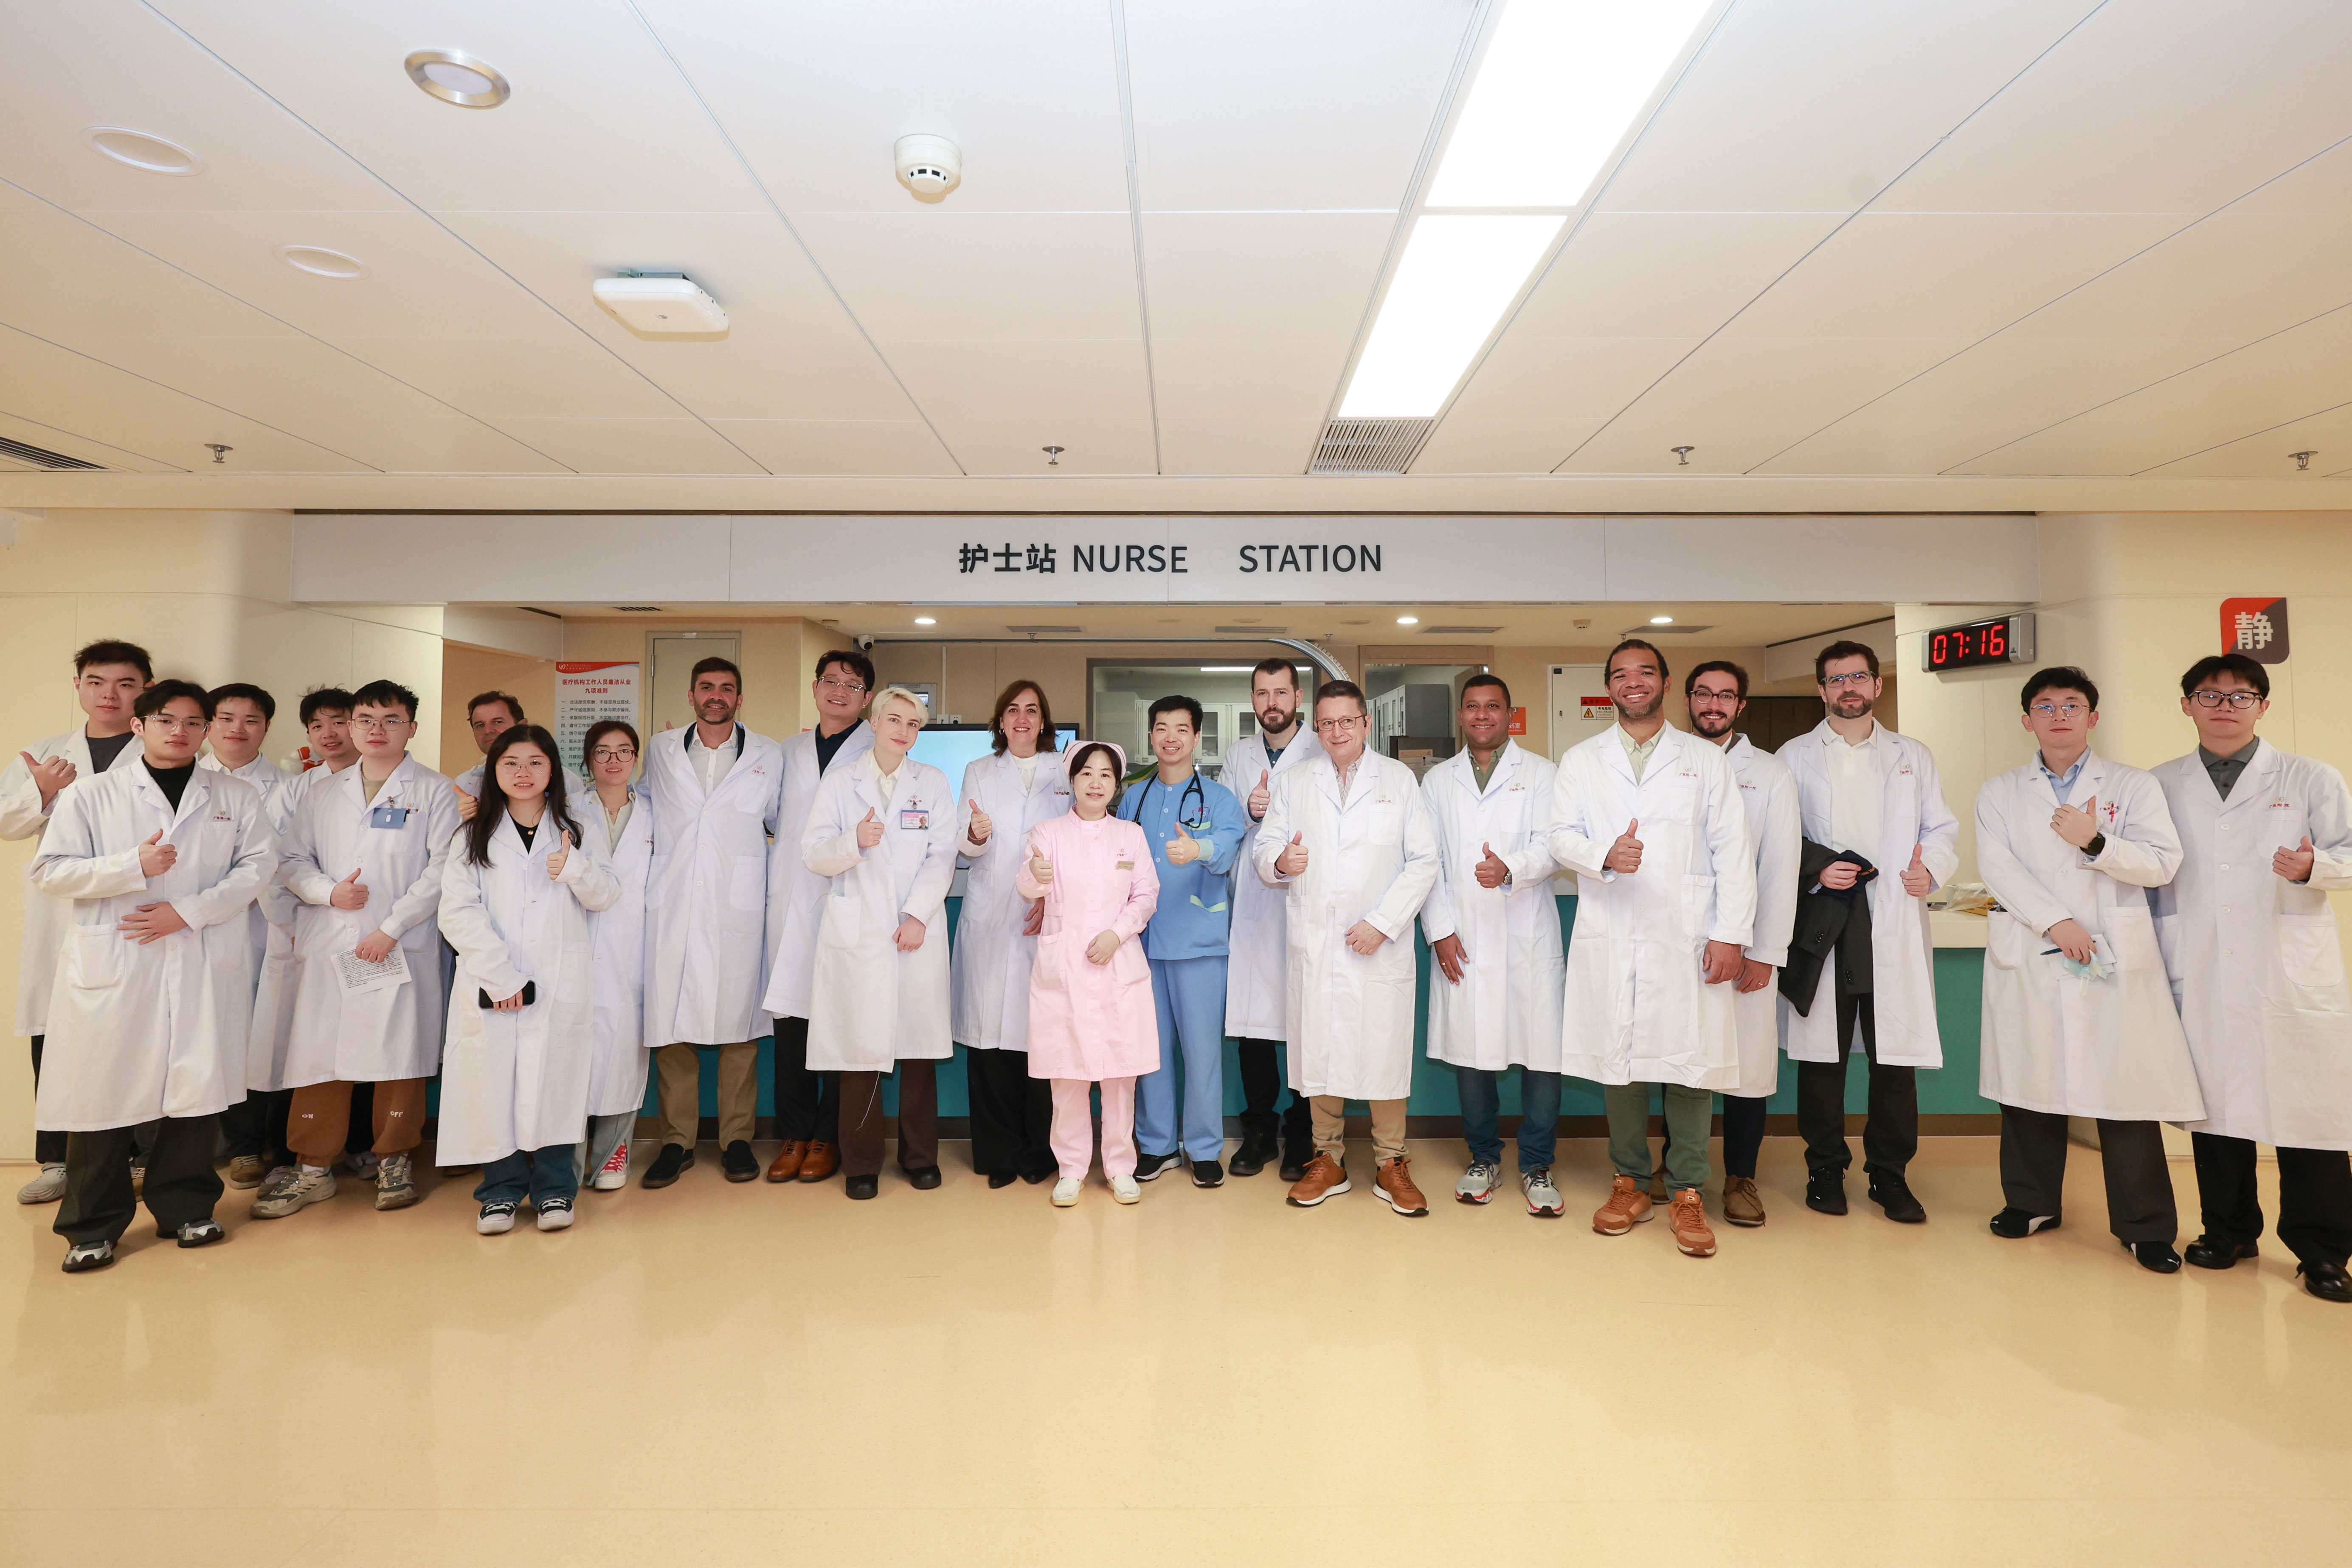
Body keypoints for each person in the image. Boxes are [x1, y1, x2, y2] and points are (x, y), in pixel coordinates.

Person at [31, 680, 273, 1271]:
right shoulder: (92, 795)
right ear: (140, 725)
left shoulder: (236, 796)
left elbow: (258, 868)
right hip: (118, 964)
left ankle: (186, 1208)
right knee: (102, 1095)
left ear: (206, 730)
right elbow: (51, 872)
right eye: (166, 720)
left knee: (195, 1091)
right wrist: (130, 866)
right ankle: (92, 1226)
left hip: (199, 954)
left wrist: (187, 912)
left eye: (193, 722)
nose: (180, 732)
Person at [1975, 667, 2203, 1273]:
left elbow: (2161, 863)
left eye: (2071, 705)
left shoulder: (2132, 785)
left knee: (2125, 1091)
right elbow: (1997, 866)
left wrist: (2096, 842)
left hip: (2115, 954)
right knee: (2030, 1084)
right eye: (2045, 706)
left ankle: (2145, 1227)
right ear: (2026, 719)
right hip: (2036, 947)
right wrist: (2056, 922)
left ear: (2092, 717)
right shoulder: (2000, 791)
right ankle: (2030, 1203)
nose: (2058, 716)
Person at [2154, 653, 2352, 1304]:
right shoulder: (2160, 784)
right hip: (2202, 964)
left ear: (2264, 705)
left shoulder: (2310, 776)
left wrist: (2314, 867)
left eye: (2241, 695)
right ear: (2187, 704)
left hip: (2287, 968)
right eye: (2210, 695)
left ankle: (2322, 1251)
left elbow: (2350, 853)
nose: (2225, 707)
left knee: (2309, 1110)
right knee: (2219, 1107)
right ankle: (2228, 1231)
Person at [1550, 641, 1756, 1258]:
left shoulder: (1704, 760)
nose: (1632, 682)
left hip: (1686, 931)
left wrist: (1730, 933)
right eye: (1619, 674)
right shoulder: (1582, 760)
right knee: (1620, 1058)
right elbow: (1559, 835)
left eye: (1644, 672)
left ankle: (1688, 1189)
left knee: (1689, 1059)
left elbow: (1733, 851)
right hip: (1613, 926)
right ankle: (1630, 1181)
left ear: (1666, 683)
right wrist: (1603, 854)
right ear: (1609, 687)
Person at [256, 679, 459, 1220]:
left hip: (399, 945)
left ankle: (394, 1159)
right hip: (333, 939)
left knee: (399, 1055)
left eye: (391, 720)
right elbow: (290, 859)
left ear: (411, 729)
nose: (376, 729)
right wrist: (328, 893)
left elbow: (444, 869)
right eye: (366, 719)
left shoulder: (434, 791)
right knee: (320, 1056)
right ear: (352, 726)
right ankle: (313, 1168)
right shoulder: (321, 793)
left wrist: (391, 927)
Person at [1776, 639, 1958, 1224]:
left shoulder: (1911, 755)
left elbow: (1940, 827)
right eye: (1836, 679)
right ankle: (1825, 1168)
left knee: (1893, 1060)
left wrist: (1932, 867)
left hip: (1891, 919)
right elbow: (1776, 835)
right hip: (1826, 921)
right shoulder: (1793, 756)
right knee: (1822, 1059)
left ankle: (1889, 1174)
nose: (1848, 688)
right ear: (1821, 690)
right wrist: (1816, 868)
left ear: (1877, 685)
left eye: (1858, 677)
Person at [1255, 680, 1440, 1216]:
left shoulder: (1398, 780)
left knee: (1382, 1049)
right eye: (1326, 722)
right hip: (1317, 943)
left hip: (1378, 945)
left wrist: (1381, 924)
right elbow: (1266, 847)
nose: (1336, 731)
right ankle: (1327, 1158)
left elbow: (1423, 861)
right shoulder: (1295, 782)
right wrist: (1279, 863)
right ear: (1317, 727)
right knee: (1320, 1047)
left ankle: (1391, 1161)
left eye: (1346, 721)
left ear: (1365, 724)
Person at [437, 725, 622, 1235]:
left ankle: (554, 1189)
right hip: (491, 981)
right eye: (511, 763)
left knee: (555, 1081)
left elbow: (607, 894)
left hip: (558, 980)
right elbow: (456, 911)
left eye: (535, 762)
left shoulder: (577, 827)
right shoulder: (470, 834)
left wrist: (575, 868)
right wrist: (502, 978)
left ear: (552, 771)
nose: (523, 772)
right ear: (493, 771)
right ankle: (499, 1192)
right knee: (493, 1084)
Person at [4, 639, 153, 1206]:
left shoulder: (162, 749)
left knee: (134, 1034)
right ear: (78, 687)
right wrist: (41, 792)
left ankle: (136, 1156)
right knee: (54, 1032)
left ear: (145, 690)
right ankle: (57, 1160)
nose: (110, 694)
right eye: (97, 682)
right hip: (61, 916)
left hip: (133, 912)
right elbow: (5, 823)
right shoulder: (44, 753)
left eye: (125, 683)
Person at [801, 686, 958, 1199]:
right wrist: (854, 842)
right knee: (859, 1049)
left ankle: (920, 1157)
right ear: (873, 722)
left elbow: (942, 854)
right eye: (894, 719)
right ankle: (861, 1163)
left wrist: (917, 914)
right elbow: (813, 853)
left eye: (913, 724)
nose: (903, 731)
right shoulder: (840, 782)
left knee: (918, 1051)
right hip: (861, 932)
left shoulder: (931, 782)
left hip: (914, 932)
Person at [1419, 674, 1565, 1215]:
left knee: (1540, 1054)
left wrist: (1511, 868)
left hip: (1526, 931)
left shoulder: (1543, 774)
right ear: (1461, 715)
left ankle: (1537, 1163)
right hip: (1462, 934)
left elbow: (1554, 845)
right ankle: (1483, 1157)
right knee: (1472, 1052)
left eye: (1493, 706)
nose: (1482, 715)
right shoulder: (1438, 781)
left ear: (1509, 714)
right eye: (1473, 707)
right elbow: (1426, 861)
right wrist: (1439, 931)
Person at [640, 657, 782, 1188]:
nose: (715, 696)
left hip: (735, 908)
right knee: (672, 1029)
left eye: (726, 688)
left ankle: (737, 1140)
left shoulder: (769, 754)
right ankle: (675, 1142)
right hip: (673, 903)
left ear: (739, 699)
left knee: (738, 1028)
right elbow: (641, 811)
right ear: (691, 695)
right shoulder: (661, 749)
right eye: (706, 687)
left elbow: (781, 823)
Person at [1678, 660, 1800, 1227]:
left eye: (1725, 695)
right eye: (1703, 693)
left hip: (1747, 945)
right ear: (1687, 699)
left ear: (1740, 705)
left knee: (1747, 1067)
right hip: (1682, 943)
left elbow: (1780, 864)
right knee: (1682, 1061)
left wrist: (1765, 951)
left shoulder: (1769, 773)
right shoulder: (1670, 762)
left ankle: (1740, 1178)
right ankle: (1680, 1172)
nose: (1713, 704)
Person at [1019, 742, 1161, 1206]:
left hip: (1117, 961)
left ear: (1116, 783)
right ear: (1072, 781)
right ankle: (1071, 1168)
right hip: (1065, 967)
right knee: (1067, 1076)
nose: (1096, 783)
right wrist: (1035, 873)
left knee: (1120, 1077)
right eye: (1086, 774)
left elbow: (1146, 895)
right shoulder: (1048, 832)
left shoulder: (1130, 836)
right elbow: (1027, 885)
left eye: (1105, 775)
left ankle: (1120, 1167)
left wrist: (1116, 934)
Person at [1118, 696, 1247, 1187]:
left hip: (1199, 944)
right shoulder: (1133, 798)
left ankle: (1204, 1147)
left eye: (1180, 729)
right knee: (1148, 1050)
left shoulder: (1218, 799)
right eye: (1160, 728)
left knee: (1202, 1052)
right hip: (1143, 944)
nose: (1169, 738)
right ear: (1150, 736)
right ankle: (1156, 1145)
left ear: (1196, 738)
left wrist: (1199, 847)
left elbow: (1226, 848)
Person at [761, 649, 878, 1185]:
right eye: (830, 681)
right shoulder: (786, 752)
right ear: (814, 688)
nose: (838, 691)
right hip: (791, 900)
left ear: (866, 698)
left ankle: (828, 1137)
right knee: (791, 1028)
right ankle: (794, 1134)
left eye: (851, 685)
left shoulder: (877, 752)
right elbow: (765, 818)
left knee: (838, 1023)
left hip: (848, 898)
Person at [946, 679, 1069, 1188]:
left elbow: (1078, 843)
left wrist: (1051, 899)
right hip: (992, 915)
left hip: (1046, 917)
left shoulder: (1064, 770)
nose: (1022, 718)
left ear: (1043, 721)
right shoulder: (979, 771)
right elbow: (963, 845)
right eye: (1013, 710)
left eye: (1032, 710)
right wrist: (974, 836)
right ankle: (997, 1154)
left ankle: (1038, 1151)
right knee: (989, 1042)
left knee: (1039, 1039)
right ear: (1000, 721)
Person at [240, 688, 357, 1187]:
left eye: (339, 721)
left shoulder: (394, 786)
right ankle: (289, 1152)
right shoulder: (294, 791)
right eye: (317, 726)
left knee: (365, 1043)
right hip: (301, 933)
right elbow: (271, 865)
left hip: (364, 933)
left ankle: (360, 1147)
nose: (328, 734)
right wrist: (293, 925)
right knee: (297, 1046)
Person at [1224, 658, 1322, 1180]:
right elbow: (1221, 823)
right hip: (1253, 905)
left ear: (1298, 697)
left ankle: (1302, 1131)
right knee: (1253, 1025)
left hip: (1305, 899)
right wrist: (1249, 809)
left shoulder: (1322, 749)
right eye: (1262, 693)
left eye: (1280, 692)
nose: (1271, 703)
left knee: (1303, 1018)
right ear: (1253, 700)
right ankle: (1258, 1130)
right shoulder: (1237, 755)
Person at [199, 682, 298, 1189]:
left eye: (251, 719)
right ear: (209, 724)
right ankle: (222, 1146)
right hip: (197, 929)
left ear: (267, 727)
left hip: (267, 931)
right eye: (226, 718)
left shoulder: (290, 788)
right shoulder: (185, 781)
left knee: (265, 1037)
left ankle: (259, 1147)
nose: (238, 729)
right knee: (210, 1032)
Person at [577, 719, 654, 1191]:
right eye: (602, 752)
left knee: (624, 1057)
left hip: (632, 946)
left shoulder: (652, 813)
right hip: (576, 943)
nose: (613, 760)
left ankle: (613, 1155)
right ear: (588, 760)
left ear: (636, 759)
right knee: (573, 1059)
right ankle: (567, 1158)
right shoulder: (568, 810)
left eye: (624, 751)